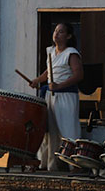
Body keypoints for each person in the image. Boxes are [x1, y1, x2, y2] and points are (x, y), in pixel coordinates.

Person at [29, 22, 84, 170]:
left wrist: (60, 86)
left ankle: (75, 164)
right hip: (50, 95)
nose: (56, 33)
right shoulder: (51, 52)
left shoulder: (71, 53)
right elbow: (49, 72)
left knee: (68, 130)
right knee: (49, 131)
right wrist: (37, 81)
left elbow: (79, 75)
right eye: (55, 31)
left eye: (60, 31)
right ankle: (48, 164)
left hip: (66, 96)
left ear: (69, 36)